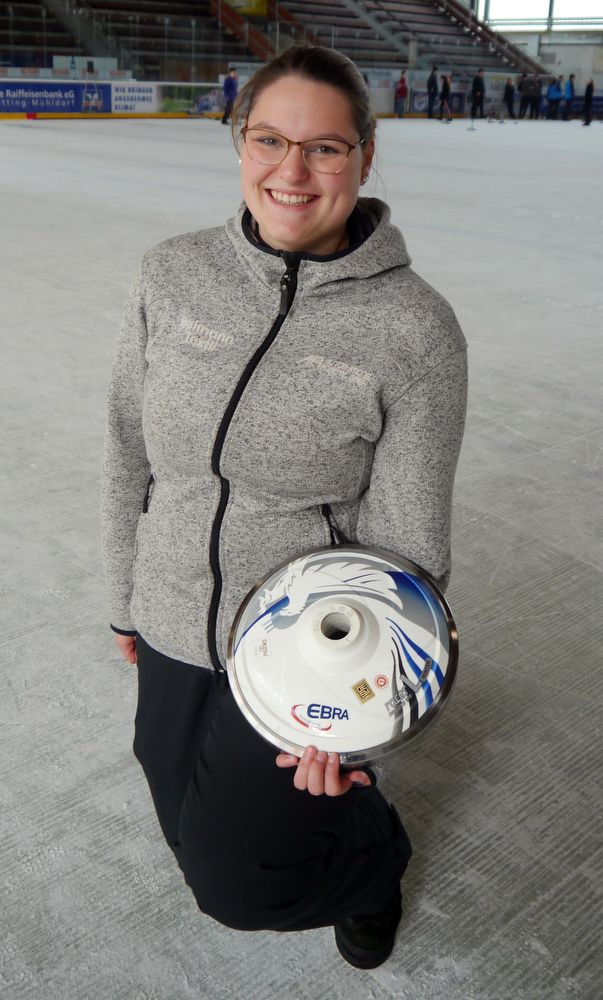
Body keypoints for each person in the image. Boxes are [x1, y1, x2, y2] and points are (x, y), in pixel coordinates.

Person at [102, 43, 467, 971]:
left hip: (300, 641)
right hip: (172, 602)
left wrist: (356, 722)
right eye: (268, 139)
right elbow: (127, 446)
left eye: (324, 148)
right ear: (240, 142)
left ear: (364, 156)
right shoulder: (171, 273)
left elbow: (408, 548)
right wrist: (123, 599)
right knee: (179, 817)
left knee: (236, 886)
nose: (291, 171)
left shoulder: (415, 330)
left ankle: (371, 862)